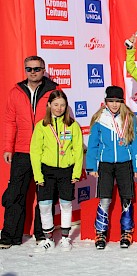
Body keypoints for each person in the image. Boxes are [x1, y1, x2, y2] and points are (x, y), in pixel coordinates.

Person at [0, 56, 58, 249]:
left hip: (46, 152)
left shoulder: (54, 91)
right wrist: (8, 147)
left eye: (37, 69)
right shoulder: (15, 92)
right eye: (29, 69)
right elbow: (10, 122)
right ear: (25, 70)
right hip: (22, 151)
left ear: (43, 70)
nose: (33, 72)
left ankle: (42, 234)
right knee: (16, 194)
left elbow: (60, 120)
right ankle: (10, 236)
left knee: (45, 195)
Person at [86, 86, 137, 250]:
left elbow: (135, 145)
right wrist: (91, 165)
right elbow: (93, 145)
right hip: (105, 164)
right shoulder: (99, 118)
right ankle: (101, 232)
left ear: (122, 102)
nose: (114, 104)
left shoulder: (129, 118)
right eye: (111, 101)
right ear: (105, 102)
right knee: (105, 199)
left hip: (125, 164)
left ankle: (126, 231)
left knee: (126, 198)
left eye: (117, 101)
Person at [30, 90, 83, 252]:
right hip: (47, 171)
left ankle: (66, 238)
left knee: (66, 204)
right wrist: (38, 175)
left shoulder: (73, 125)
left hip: (66, 171)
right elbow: (35, 151)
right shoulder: (42, 126)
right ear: (49, 105)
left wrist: (76, 172)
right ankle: (48, 238)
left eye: (62, 105)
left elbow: (78, 149)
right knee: (45, 205)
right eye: (55, 105)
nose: (59, 108)